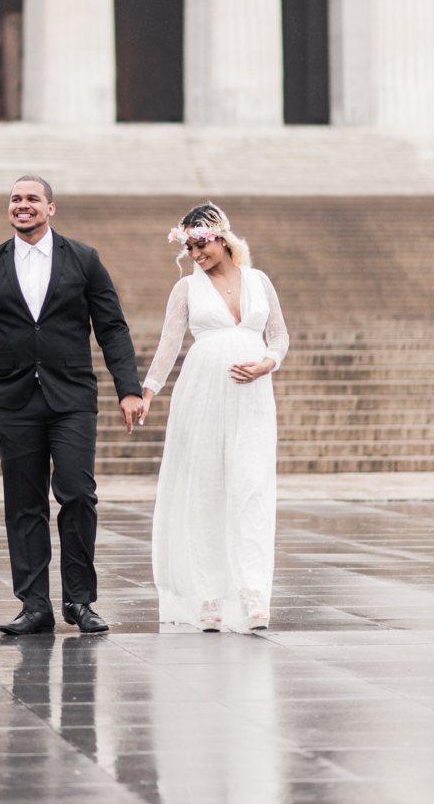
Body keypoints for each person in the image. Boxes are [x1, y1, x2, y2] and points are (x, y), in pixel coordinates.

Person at [0, 176, 144, 636]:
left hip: (72, 399)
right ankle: (34, 605)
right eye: (16, 199)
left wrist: (129, 388)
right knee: (24, 505)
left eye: (32, 199)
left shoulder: (83, 259)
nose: (23, 206)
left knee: (78, 495)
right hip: (13, 401)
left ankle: (80, 602)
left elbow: (112, 328)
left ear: (51, 208)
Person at [140, 202, 289, 634]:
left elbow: (278, 334)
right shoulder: (187, 289)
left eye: (200, 243)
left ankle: (253, 592)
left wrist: (268, 362)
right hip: (201, 394)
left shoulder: (259, 282)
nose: (195, 253)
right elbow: (169, 344)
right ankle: (207, 596)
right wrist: (148, 391)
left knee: (251, 486)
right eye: (188, 246)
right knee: (205, 489)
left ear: (223, 237)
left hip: (253, 397)